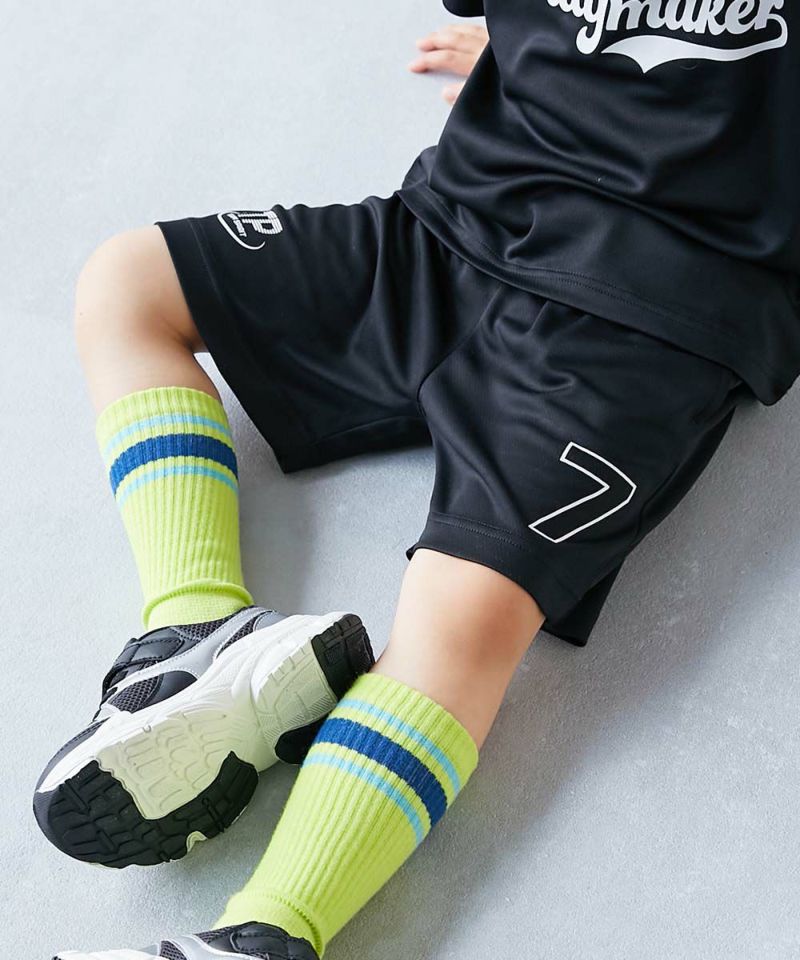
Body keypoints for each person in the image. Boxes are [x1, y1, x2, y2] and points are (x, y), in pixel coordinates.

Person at [42, 2, 799, 957]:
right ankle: (194, 627)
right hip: (454, 225)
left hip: (645, 321)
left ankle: (270, 931)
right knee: (127, 283)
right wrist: (549, 57)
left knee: (462, 615)